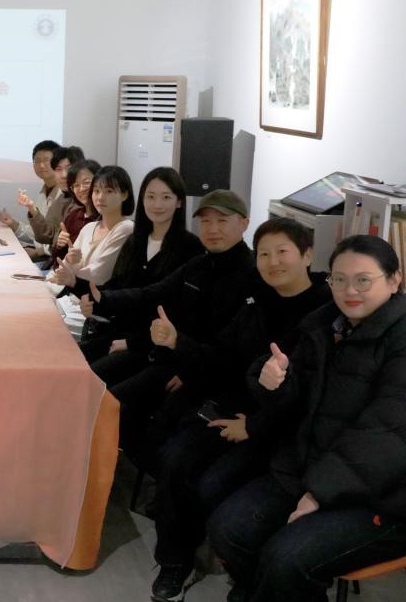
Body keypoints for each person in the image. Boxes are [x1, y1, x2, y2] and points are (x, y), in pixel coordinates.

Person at [208, 234, 406, 602]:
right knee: (228, 529)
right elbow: (287, 381)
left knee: (287, 558)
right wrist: (273, 380)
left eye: (363, 280)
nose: (349, 290)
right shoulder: (326, 325)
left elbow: (389, 439)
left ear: (393, 281)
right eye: (338, 279)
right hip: (315, 470)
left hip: (390, 500)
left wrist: (318, 494)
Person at [147, 218, 331, 602]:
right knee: (174, 458)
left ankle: (242, 566)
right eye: (264, 254)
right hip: (237, 412)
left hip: (284, 430)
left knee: (213, 484)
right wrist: (177, 342)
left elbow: (313, 394)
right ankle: (175, 560)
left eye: (283, 252)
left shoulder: (325, 311)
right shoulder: (256, 300)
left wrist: (255, 425)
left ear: (307, 255)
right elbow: (220, 355)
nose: (273, 262)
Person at [81, 189, 257, 468]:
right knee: (98, 391)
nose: (212, 229)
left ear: (244, 223)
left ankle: (131, 475)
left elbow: (232, 350)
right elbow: (152, 294)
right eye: (206, 221)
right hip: (171, 357)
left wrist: (189, 370)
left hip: (204, 374)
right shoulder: (198, 265)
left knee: (120, 409)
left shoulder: (252, 276)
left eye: (222, 221)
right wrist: (104, 300)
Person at [79, 167, 203, 362]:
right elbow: (118, 284)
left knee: (89, 373)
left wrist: (132, 342)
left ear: (179, 202)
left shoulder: (190, 247)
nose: (157, 204)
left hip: (153, 346)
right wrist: (94, 303)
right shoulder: (135, 240)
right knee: (67, 359)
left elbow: (176, 309)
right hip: (118, 332)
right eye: (150, 197)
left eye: (166, 197)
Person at [49, 165, 134, 296]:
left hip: (94, 301)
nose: (100, 197)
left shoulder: (126, 228)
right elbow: (62, 272)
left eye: (109, 191)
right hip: (71, 295)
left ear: (124, 194)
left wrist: (70, 275)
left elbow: (99, 275)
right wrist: (70, 261)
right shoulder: (88, 228)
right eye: (96, 191)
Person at [0, 139, 61, 260]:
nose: (41, 165)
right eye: (37, 161)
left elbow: (62, 237)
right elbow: (38, 234)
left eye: (46, 160)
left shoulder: (65, 194)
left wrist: (38, 252)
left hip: (55, 260)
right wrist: (13, 224)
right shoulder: (44, 192)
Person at [20, 145, 84, 249]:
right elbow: (47, 235)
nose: (64, 175)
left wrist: (39, 252)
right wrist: (32, 208)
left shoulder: (86, 200)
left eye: (69, 168)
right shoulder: (62, 198)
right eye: (58, 169)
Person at [49, 159, 101, 264]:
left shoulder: (105, 218)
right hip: (63, 271)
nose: (81, 189)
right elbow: (56, 259)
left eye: (86, 183)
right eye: (76, 185)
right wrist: (59, 245)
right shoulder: (73, 216)